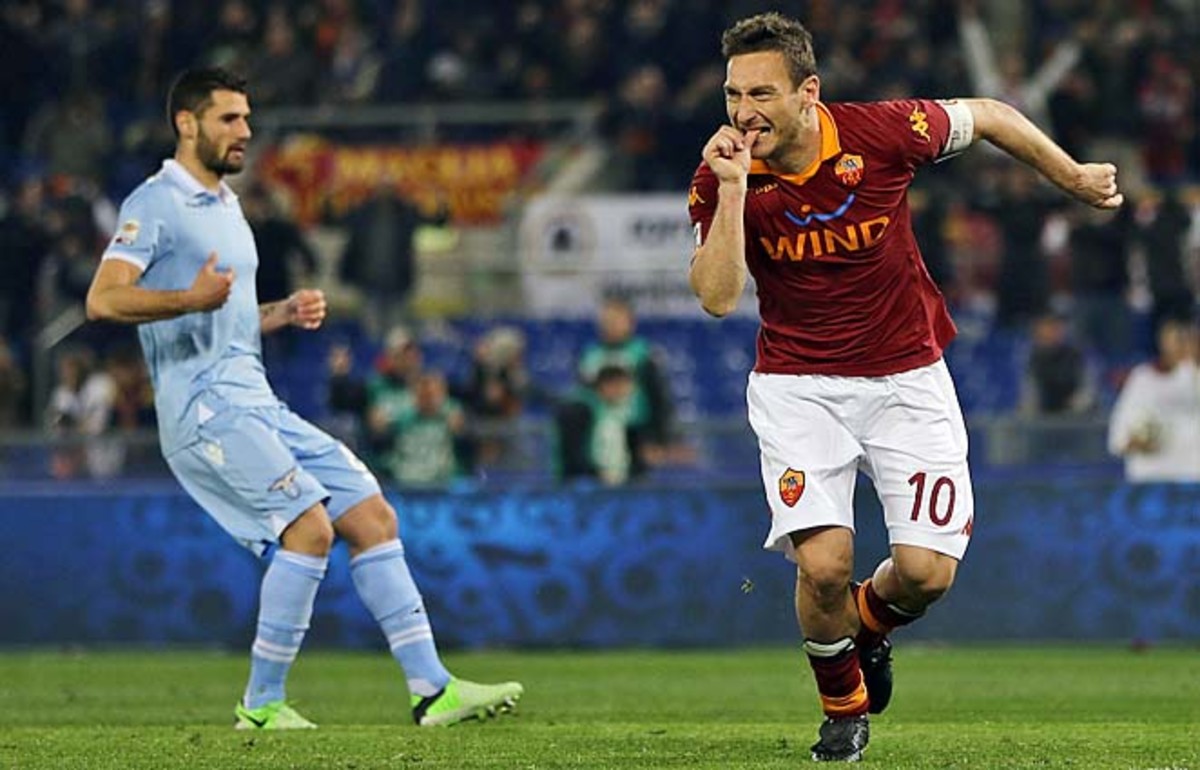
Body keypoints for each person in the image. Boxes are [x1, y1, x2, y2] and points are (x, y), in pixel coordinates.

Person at [687, 13, 1122, 762]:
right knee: (822, 564)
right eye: (733, 94)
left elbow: (988, 115)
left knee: (925, 575)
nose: (743, 112)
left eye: (761, 93)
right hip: (799, 386)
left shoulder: (883, 133)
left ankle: (868, 623)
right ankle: (843, 710)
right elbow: (719, 298)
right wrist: (729, 192)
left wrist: (1074, 178)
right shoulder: (723, 174)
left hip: (906, 376)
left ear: (807, 93)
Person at [84, 67, 522, 730]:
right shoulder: (156, 202)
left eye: (247, 118)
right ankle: (260, 705)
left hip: (253, 399)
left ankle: (432, 689)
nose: (246, 131)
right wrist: (187, 298)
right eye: (229, 118)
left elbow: (219, 318)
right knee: (309, 529)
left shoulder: (227, 204)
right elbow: (104, 298)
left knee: (372, 516)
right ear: (187, 123)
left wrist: (278, 312)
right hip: (202, 408)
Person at [1107, 319, 1200, 482]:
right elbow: (1120, 437)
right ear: (1162, 343)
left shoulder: (1193, 377)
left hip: (1192, 478)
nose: (1181, 346)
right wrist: (1135, 441)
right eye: (1176, 340)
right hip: (1152, 480)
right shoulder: (1143, 378)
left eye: (1187, 340)